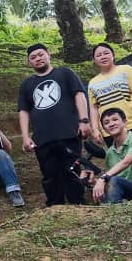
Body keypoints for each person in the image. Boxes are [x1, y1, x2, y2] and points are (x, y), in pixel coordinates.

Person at [18, 43, 92, 206]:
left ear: (48, 55)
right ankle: (54, 207)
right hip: (42, 138)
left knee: (72, 171)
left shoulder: (65, 73)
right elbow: (23, 111)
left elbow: (79, 96)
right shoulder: (26, 85)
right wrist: (25, 136)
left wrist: (84, 120)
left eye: (40, 54)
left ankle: (78, 205)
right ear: (29, 63)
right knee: (49, 175)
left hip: (68, 133)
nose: (38, 59)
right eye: (33, 57)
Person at [88, 43, 132, 145]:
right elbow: (94, 108)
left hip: (130, 124)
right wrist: (95, 129)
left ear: (113, 55)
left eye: (106, 53)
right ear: (94, 60)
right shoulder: (93, 83)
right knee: (117, 159)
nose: (103, 56)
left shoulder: (126, 70)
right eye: (98, 55)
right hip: (109, 130)